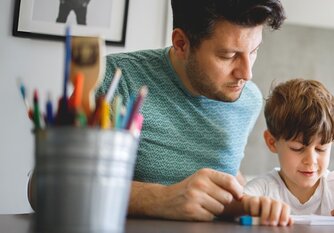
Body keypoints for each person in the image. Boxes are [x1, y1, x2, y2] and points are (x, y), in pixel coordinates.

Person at [97, 0, 289, 223]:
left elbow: (226, 176)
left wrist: (250, 202)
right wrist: (160, 198)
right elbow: (67, 185)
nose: (247, 74)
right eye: (228, 56)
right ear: (181, 44)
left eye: (254, 51)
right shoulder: (114, 80)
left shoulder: (249, 100)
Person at [244, 79, 334, 216]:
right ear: (272, 142)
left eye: (321, 149)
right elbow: (234, 206)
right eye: (297, 148)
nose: (311, 161)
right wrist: (251, 208)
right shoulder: (262, 189)